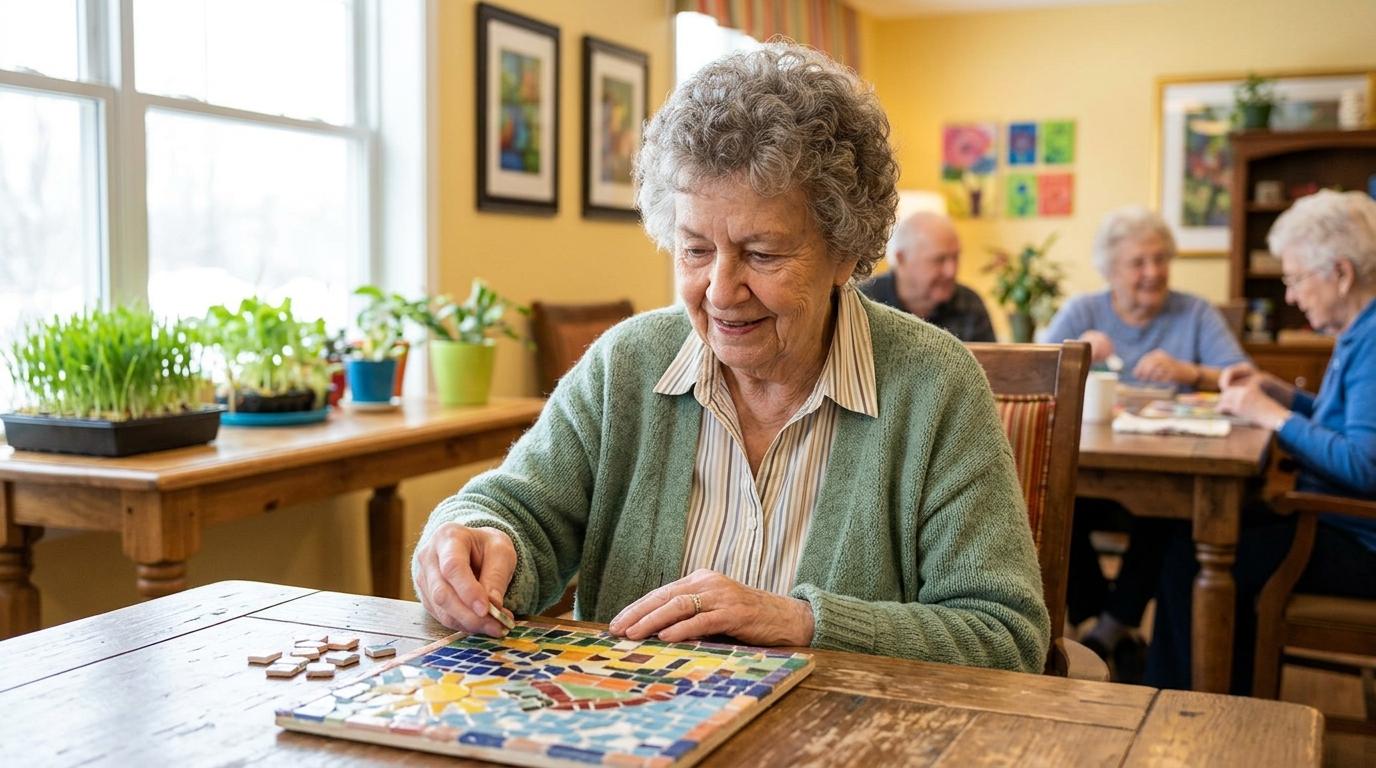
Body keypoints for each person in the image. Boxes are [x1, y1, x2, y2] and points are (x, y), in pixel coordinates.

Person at [411, 43, 1049, 672]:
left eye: (763, 254)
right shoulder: (627, 365)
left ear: (846, 253)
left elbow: (1004, 634)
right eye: (694, 250)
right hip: (630, 732)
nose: (719, 290)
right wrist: (470, 543)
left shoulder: (934, 385)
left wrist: (800, 622)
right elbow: (514, 513)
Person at [1146, 190, 1376, 692]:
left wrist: (1269, 415)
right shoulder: (1360, 331)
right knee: (1185, 538)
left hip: (1357, 542)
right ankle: (1221, 692)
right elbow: (1345, 424)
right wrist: (1281, 394)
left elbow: (1363, 465)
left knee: (1193, 558)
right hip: (1331, 520)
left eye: (1295, 279)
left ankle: (1186, 710)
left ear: (1341, 273)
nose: (1291, 296)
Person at [1041, 206, 1249, 680]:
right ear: (1111, 269)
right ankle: (1109, 627)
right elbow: (1033, 370)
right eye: (1138, 263)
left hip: (1167, 467)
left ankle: (1103, 631)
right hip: (1093, 465)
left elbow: (1244, 377)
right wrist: (1073, 355)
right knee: (1055, 501)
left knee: (1171, 512)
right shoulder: (1084, 311)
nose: (1152, 273)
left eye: (1161, 260)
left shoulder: (1194, 312)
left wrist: (1193, 372)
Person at [859, 211, 996, 342]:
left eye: (955, 257)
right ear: (901, 259)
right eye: (939, 260)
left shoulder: (969, 304)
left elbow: (990, 365)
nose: (951, 271)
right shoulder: (862, 301)